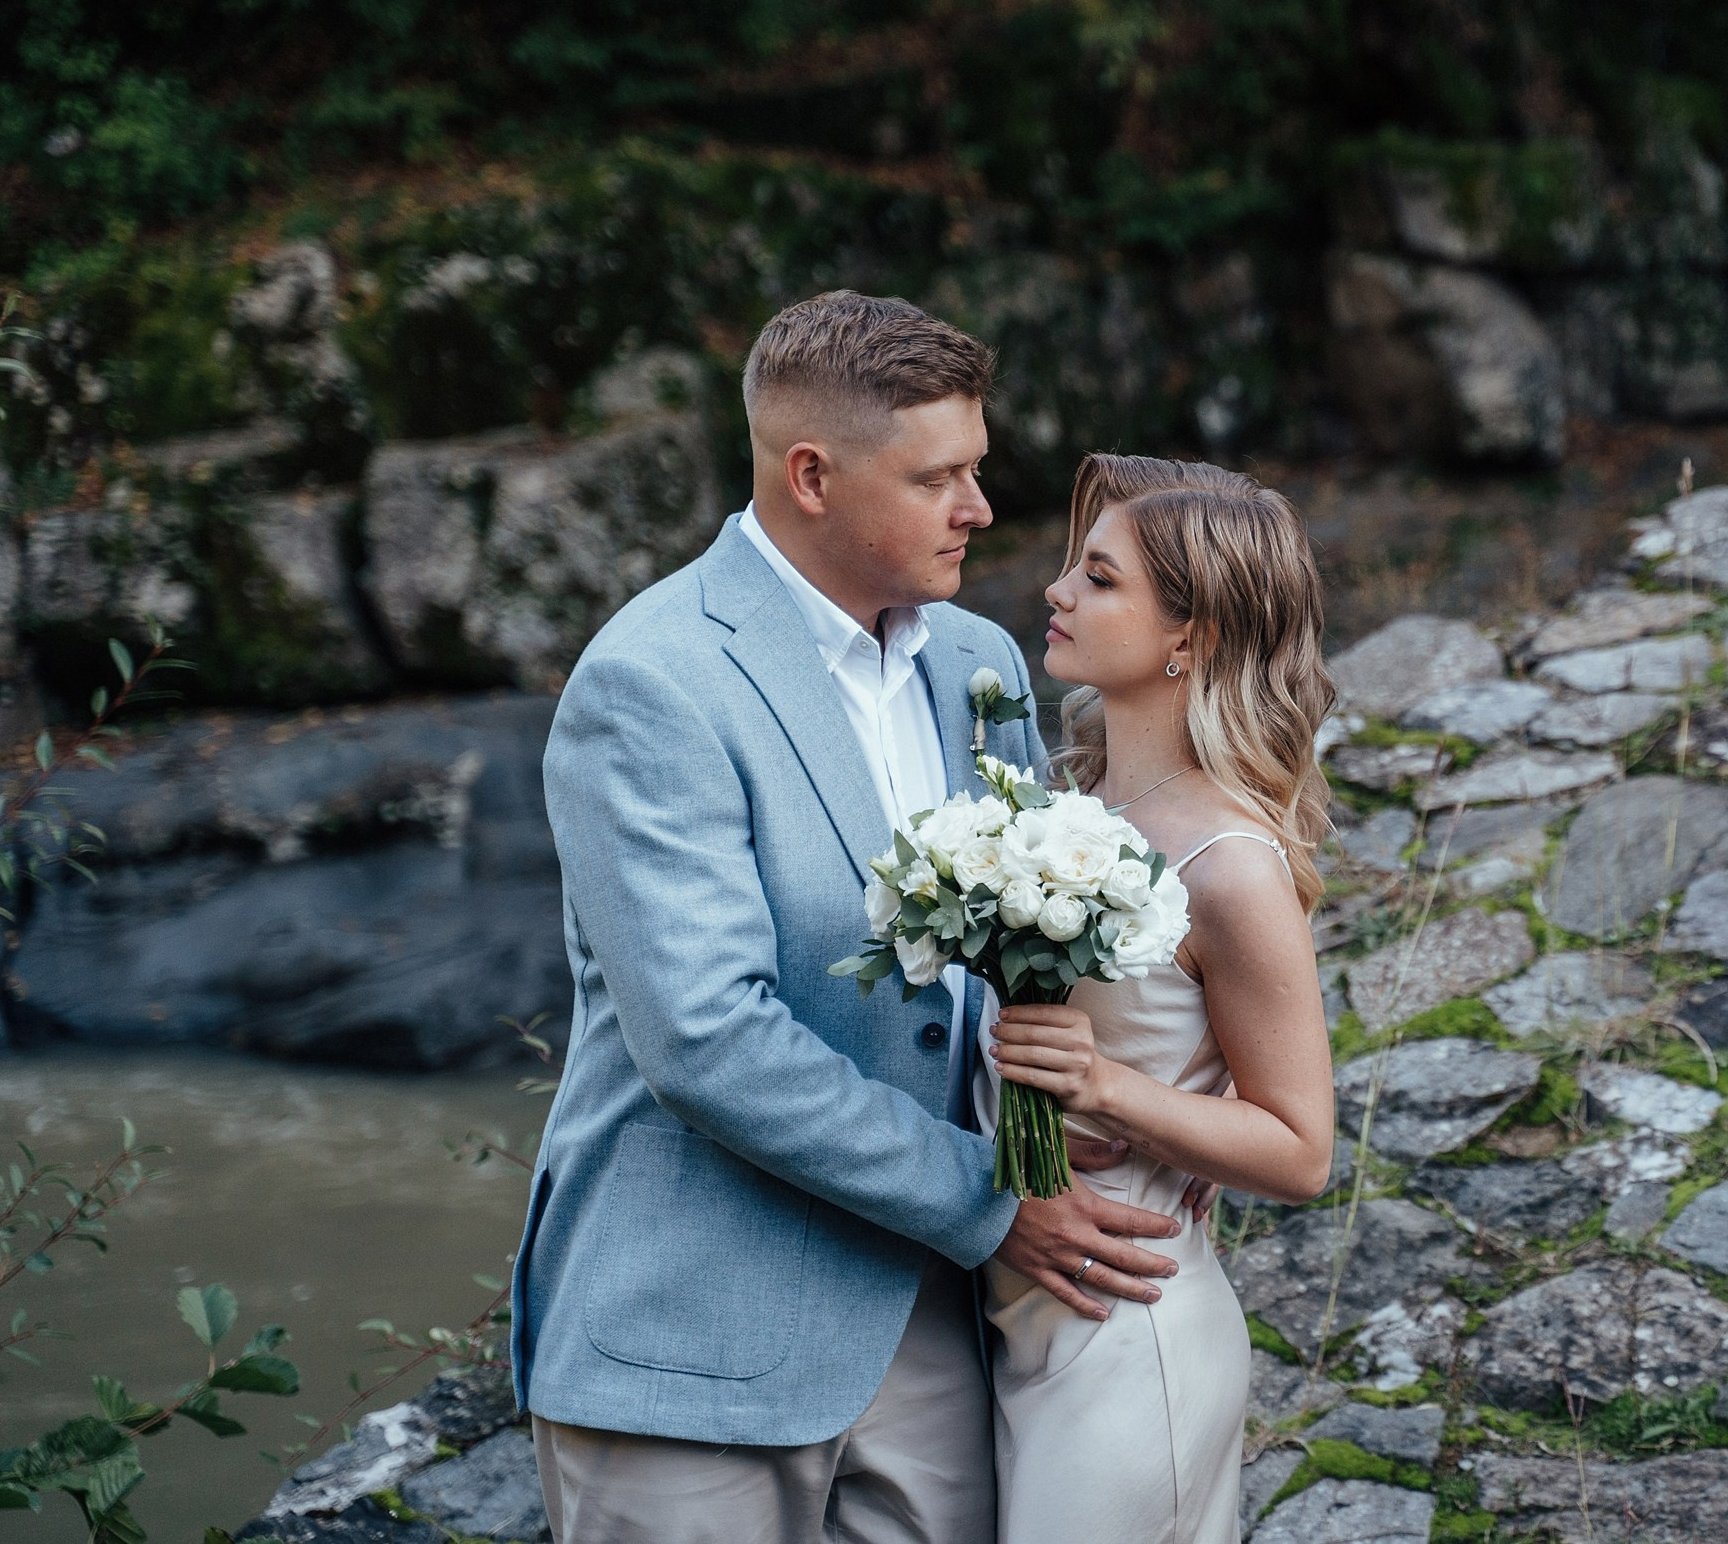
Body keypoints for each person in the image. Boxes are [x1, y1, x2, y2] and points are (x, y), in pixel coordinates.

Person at [512, 292, 1188, 1544]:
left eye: (977, 470)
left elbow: (1028, 948)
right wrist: (995, 1203)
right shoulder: (653, 683)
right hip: (693, 1340)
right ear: (810, 475)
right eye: (938, 478)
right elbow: (707, 1040)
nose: (978, 509)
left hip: (925, 1328)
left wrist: (1139, 1118)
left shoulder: (975, 662)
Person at [980, 452, 1340, 1544]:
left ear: (1193, 637)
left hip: (1127, 1332)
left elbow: (1300, 1148)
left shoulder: (1231, 863)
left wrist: (1104, 1086)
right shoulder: (1054, 800)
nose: (1056, 590)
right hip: (1009, 1311)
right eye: (1071, 569)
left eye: (1099, 578)